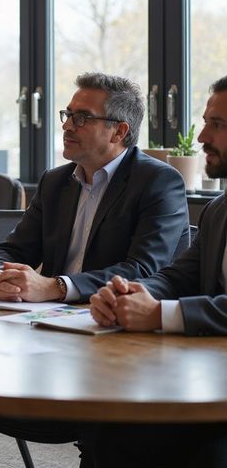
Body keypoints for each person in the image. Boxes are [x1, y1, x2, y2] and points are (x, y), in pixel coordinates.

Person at [0, 72, 190, 468]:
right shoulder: (54, 182)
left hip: (116, 347)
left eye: (81, 117)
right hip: (45, 338)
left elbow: (143, 268)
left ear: (119, 131)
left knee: (107, 436)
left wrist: (55, 286)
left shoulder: (159, 182)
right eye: (67, 114)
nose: (67, 125)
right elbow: (10, 248)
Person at [89, 75, 227, 468]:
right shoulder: (219, 210)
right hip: (210, 374)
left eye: (217, 124)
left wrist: (160, 314)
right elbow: (177, 276)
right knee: (111, 430)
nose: (201, 136)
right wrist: (128, 292)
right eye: (205, 122)